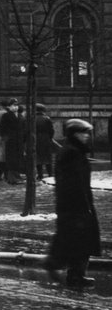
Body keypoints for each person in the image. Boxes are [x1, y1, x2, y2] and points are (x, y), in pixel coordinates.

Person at [46, 119, 101, 289]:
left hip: (80, 205)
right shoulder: (71, 153)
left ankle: (76, 274)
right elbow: (69, 183)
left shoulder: (77, 151)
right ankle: (58, 266)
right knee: (76, 241)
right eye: (82, 132)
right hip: (73, 206)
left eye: (87, 133)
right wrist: (79, 205)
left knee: (80, 242)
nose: (86, 136)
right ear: (74, 134)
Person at [0, 98, 23, 184]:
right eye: (14, 105)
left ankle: (17, 176)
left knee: (18, 159)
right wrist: (6, 138)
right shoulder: (6, 116)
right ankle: (11, 178)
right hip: (11, 141)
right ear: (9, 106)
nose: (16, 107)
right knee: (11, 159)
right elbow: (2, 129)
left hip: (19, 141)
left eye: (17, 105)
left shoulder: (20, 116)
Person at [35, 104, 55, 180]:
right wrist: (50, 138)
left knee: (38, 157)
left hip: (36, 139)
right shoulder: (47, 119)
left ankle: (40, 175)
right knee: (48, 157)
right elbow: (51, 130)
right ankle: (50, 173)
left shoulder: (33, 118)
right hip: (46, 139)